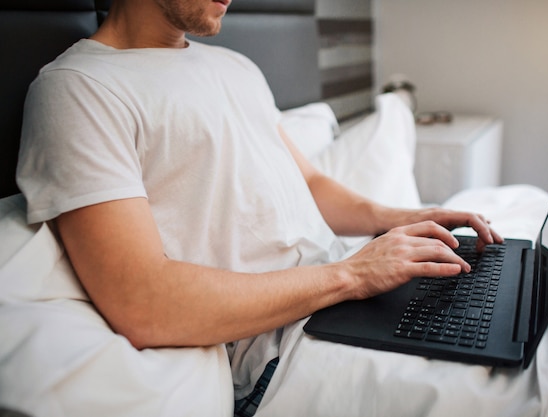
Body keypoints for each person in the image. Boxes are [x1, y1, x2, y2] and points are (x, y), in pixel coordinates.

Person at [16, 0, 502, 414]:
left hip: (347, 297)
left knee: (510, 317)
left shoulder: (235, 67)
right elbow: (140, 300)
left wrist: (399, 219)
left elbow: (308, 180)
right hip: (284, 349)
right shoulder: (79, 88)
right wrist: (353, 275)